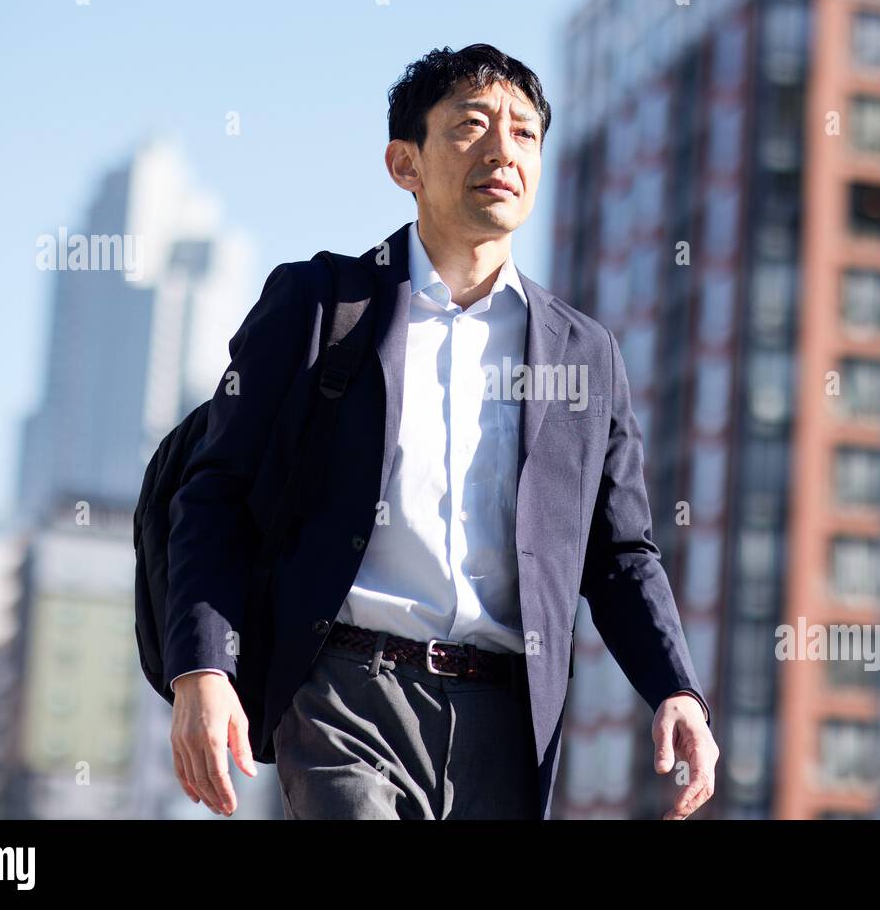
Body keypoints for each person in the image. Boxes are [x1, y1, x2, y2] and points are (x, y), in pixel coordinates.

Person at [165, 43, 717, 819]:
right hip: (346, 692)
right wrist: (203, 671)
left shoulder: (584, 353)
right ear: (405, 163)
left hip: (509, 714)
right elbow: (213, 497)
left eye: (524, 133)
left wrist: (677, 688)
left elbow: (621, 554)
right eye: (470, 125)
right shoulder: (321, 306)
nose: (502, 149)